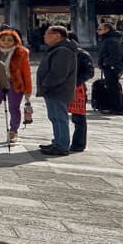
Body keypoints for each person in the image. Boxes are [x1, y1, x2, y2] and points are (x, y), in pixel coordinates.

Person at [35, 25, 81, 156]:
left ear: (57, 36)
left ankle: (61, 145)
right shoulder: (58, 49)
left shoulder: (63, 51)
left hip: (57, 90)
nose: (44, 37)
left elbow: (58, 73)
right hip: (54, 89)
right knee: (55, 117)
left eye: (47, 34)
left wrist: (46, 84)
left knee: (59, 117)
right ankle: (58, 142)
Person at [0, 29, 33, 145]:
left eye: (9, 40)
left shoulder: (21, 52)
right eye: (3, 39)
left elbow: (26, 72)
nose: (6, 42)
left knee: (14, 108)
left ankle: (13, 131)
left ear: (15, 41)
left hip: (14, 83)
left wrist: (28, 89)